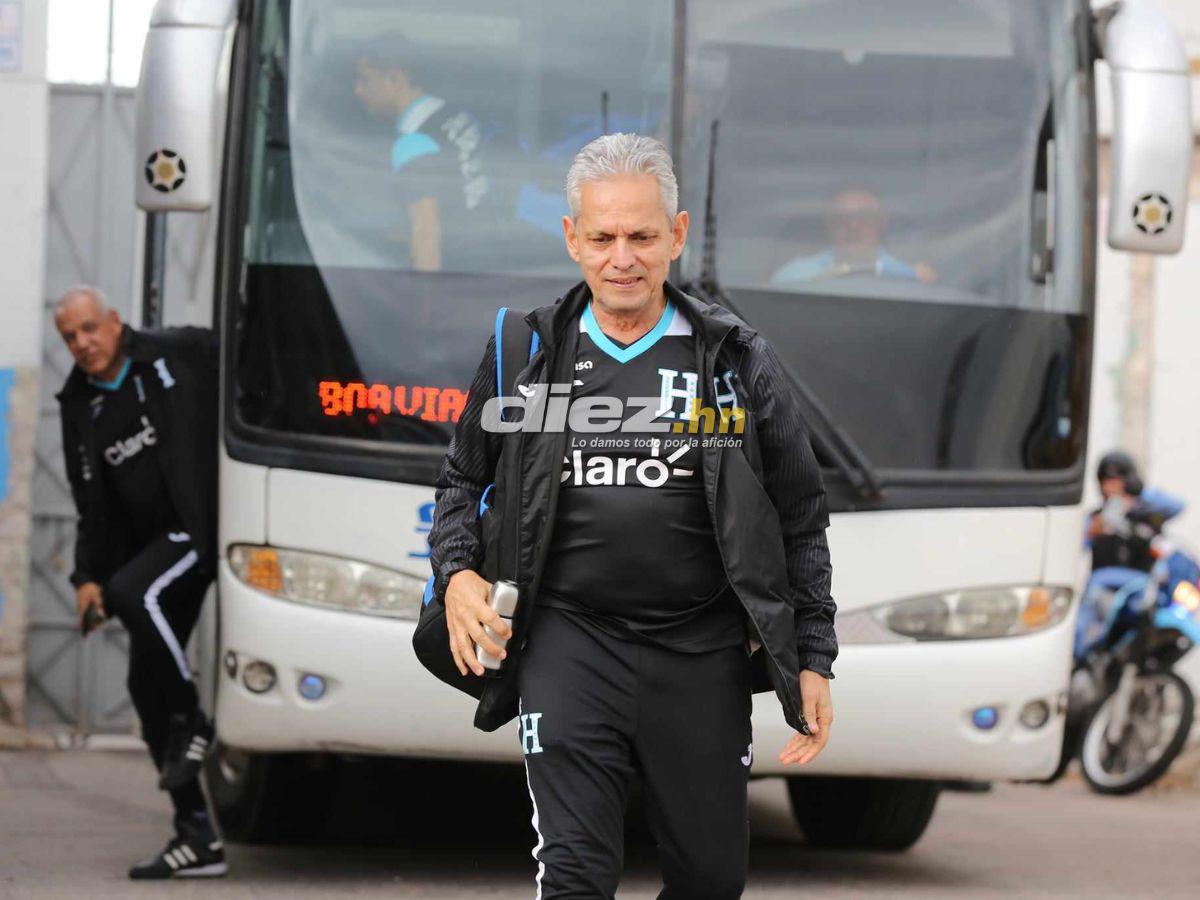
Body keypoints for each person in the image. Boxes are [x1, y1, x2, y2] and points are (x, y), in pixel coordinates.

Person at [427, 134, 836, 899]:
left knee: (711, 880)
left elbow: (800, 515)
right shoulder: (523, 351)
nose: (623, 257)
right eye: (604, 237)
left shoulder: (738, 361)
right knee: (576, 876)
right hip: (568, 641)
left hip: (702, 649)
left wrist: (813, 654)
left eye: (643, 237)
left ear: (675, 237)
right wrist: (457, 575)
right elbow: (459, 483)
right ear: (572, 238)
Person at [54, 287, 225, 880]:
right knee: (143, 683)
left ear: (115, 322)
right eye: (69, 337)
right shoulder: (79, 405)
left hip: (196, 531)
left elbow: (243, 341)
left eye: (89, 329)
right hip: (149, 549)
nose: (82, 343)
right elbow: (89, 507)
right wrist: (84, 578)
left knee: (135, 595)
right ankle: (197, 836)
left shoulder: (171, 355)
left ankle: (195, 724)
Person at [354, 36, 492, 272]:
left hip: (456, 276)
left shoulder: (413, 143)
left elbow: (427, 234)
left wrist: (425, 303)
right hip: (489, 263)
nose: (357, 91)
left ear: (394, 79)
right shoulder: (456, 117)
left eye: (365, 80)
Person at [770, 187, 936, 286]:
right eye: (842, 218)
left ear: (882, 223)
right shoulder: (792, 278)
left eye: (864, 217)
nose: (853, 227)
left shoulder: (914, 280)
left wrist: (918, 277)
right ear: (828, 224)